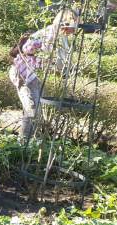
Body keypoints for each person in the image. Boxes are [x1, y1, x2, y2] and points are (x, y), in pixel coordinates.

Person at [9, 8, 78, 140]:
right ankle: (23, 144)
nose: (74, 31)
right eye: (73, 26)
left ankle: (29, 142)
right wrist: (63, 69)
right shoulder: (51, 34)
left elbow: (58, 60)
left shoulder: (58, 35)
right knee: (33, 110)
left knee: (35, 109)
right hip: (23, 73)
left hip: (31, 74)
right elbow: (52, 56)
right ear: (65, 23)